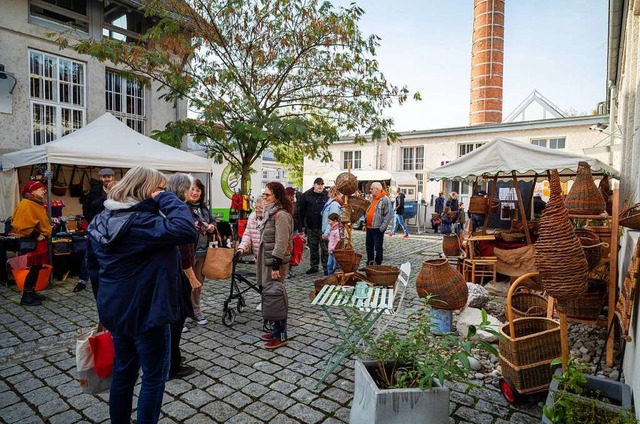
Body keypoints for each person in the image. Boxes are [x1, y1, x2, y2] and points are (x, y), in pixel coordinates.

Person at [86, 167, 197, 424]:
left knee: (123, 373)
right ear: (147, 190)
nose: (161, 194)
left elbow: (94, 271)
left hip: (116, 309)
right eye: (159, 189)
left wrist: (103, 308)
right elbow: (185, 230)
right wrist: (167, 197)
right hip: (148, 310)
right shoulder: (141, 223)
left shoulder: (102, 219)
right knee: (154, 376)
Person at [166, 173, 201, 379]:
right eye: (190, 187)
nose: (192, 191)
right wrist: (192, 277)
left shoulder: (169, 209)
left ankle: (173, 357)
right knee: (176, 319)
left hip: (170, 272)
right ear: (182, 189)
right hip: (178, 274)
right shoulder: (180, 210)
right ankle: (172, 364)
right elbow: (184, 250)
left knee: (174, 319)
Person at [258, 182, 294, 349]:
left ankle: (280, 335)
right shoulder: (270, 213)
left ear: (277, 197)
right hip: (268, 260)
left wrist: (274, 266)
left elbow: (281, 243)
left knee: (277, 298)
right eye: (264, 194)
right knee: (271, 296)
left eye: (267, 195)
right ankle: (275, 331)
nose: (264, 198)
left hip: (276, 262)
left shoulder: (281, 215)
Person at [11, 181, 52, 306]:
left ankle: (32, 291)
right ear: (32, 191)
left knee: (37, 267)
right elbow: (20, 224)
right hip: (35, 241)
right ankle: (26, 295)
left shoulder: (35, 203)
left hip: (40, 240)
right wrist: (37, 234)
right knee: (34, 268)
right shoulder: (26, 204)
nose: (44, 191)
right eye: (41, 189)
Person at [75, 168, 115, 293]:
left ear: (112, 177)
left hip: (113, 226)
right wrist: (90, 220)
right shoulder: (95, 190)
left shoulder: (118, 189)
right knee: (90, 252)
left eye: (108, 176)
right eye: (104, 177)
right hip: (96, 226)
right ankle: (82, 280)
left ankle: (109, 279)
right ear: (100, 178)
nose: (106, 179)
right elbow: (86, 205)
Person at [186, 178, 218, 327]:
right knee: (185, 283)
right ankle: (182, 314)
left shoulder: (204, 208)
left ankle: (195, 311)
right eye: (192, 189)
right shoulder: (183, 207)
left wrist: (211, 226)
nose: (195, 192)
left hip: (203, 252)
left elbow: (213, 221)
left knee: (198, 284)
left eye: (198, 190)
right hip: (188, 252)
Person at [297, 177, 328, 274]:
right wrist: (301, 228)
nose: (320, 186)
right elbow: (301, 212)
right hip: (310, 226)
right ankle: (314, 266)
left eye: (322, 184)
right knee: (313, 247)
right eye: (318, 184)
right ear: (314, 184)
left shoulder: (326, 195)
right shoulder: (306, 195)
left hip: (323, 227)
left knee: (324, 248)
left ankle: (326, 266)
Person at [364, 182, 392, 266]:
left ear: (377, 189)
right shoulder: (372, 198)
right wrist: (365, 223)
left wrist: (382, 228)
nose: (370, 190)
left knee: (378, 247)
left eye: (372, 189)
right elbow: (368, 211)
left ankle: (377, 265)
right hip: (369, 227)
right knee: (369, 246)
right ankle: (370, 263)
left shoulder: (385, 200)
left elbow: (388, 215)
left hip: (377, 228)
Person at [321, 187, 343, 273]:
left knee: (333, 257)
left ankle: (332, 272)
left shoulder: (334, 204)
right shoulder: (331, 203)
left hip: (331, 232)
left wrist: (326, 233)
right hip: (329, 231)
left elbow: (333, 219)